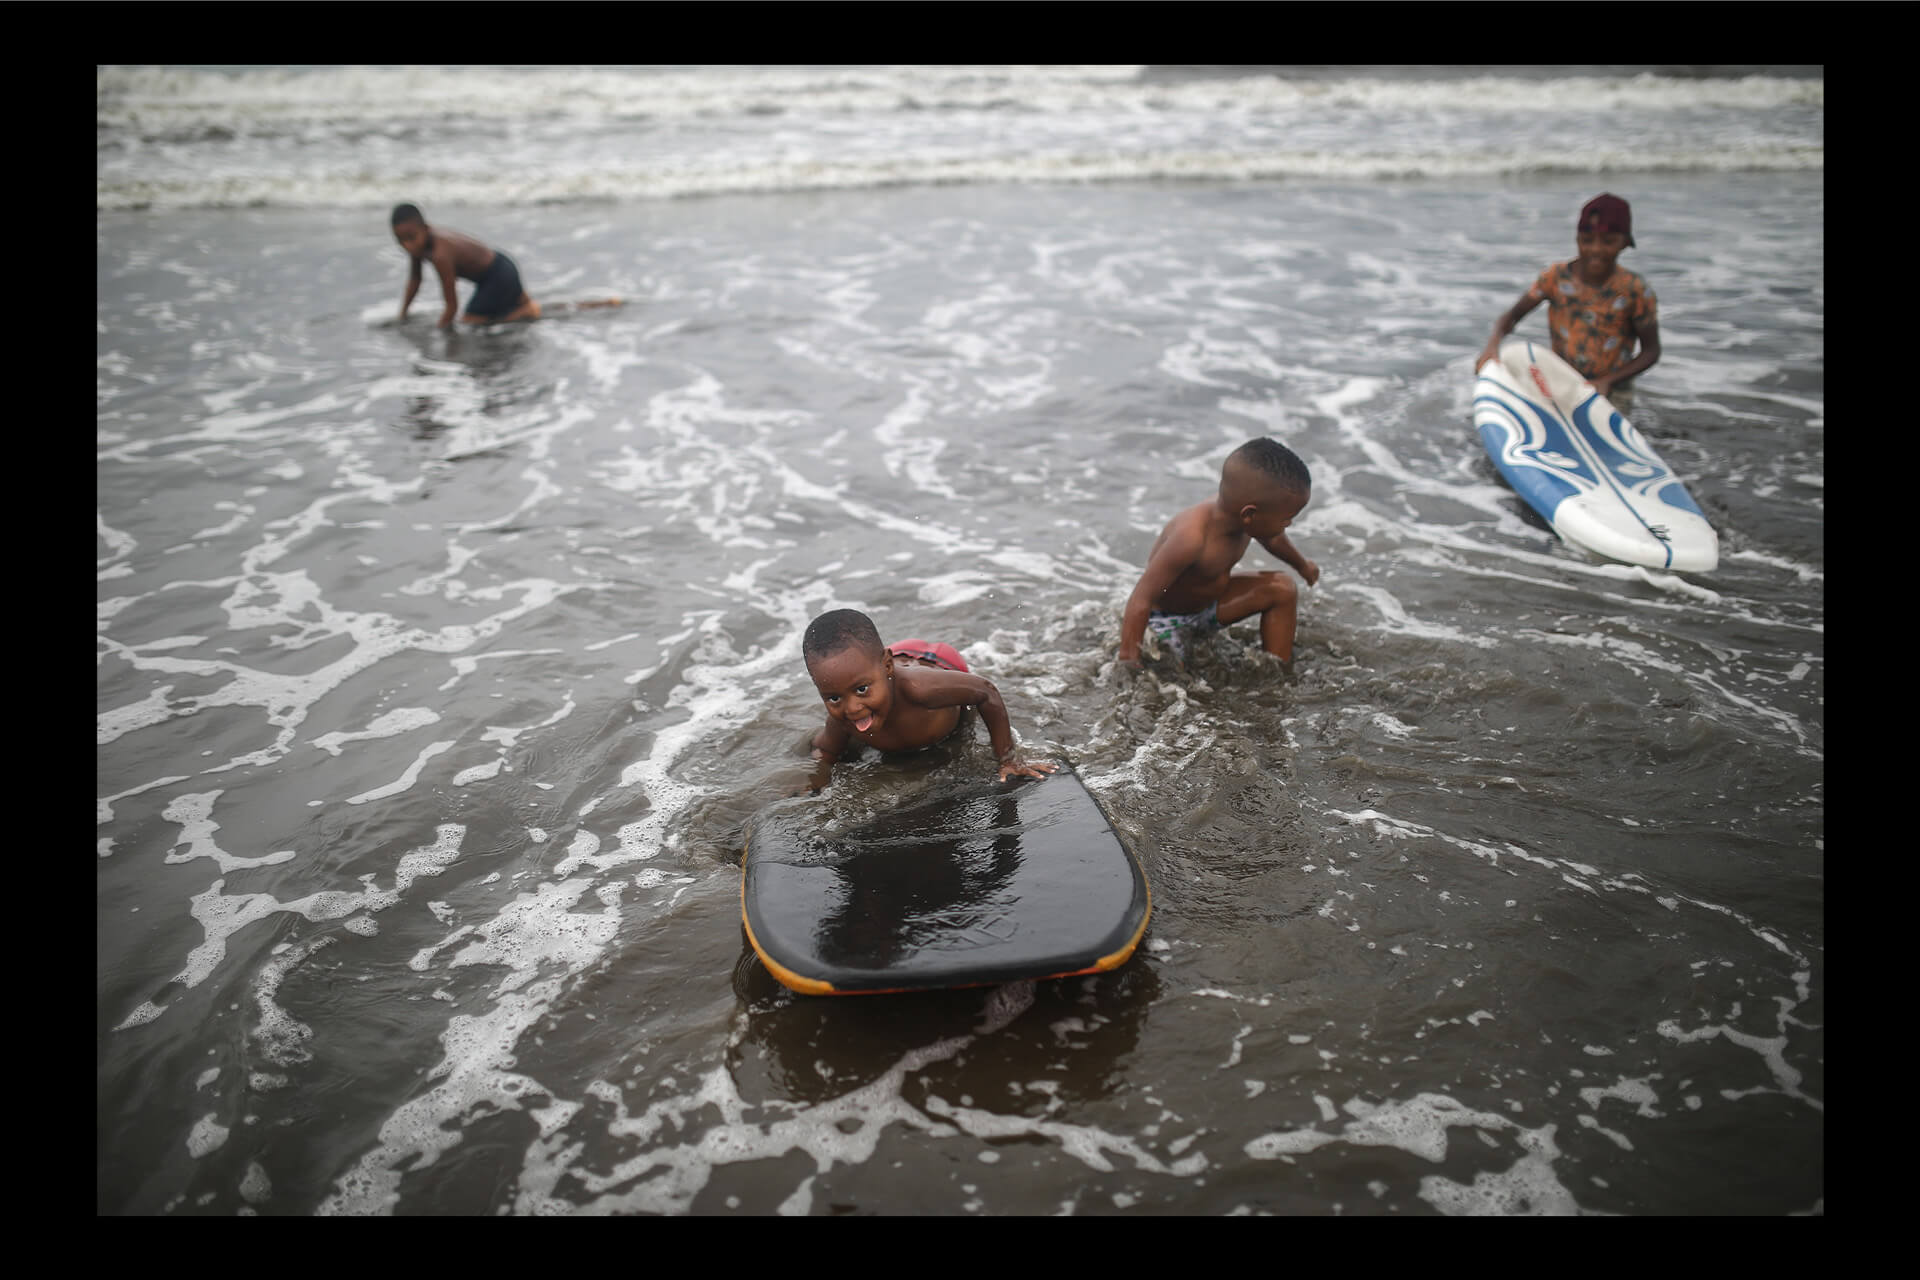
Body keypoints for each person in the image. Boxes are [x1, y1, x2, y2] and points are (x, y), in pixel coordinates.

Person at [1117, 437, 1318, 671]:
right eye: (1286, 518)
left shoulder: (1245, 520)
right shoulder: (1191, 538)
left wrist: (1302, 566)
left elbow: (1272, 537)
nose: (1290, 523)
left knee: (1282, 588)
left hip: (1209, 608)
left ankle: (1278, 670)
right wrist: (1129, 658)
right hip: (1166, 621)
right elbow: (1142, 598)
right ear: (1249, 514)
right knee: (1179, 679)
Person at [802, 609, 1055, 787]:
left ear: (887, 666)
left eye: (861, 691)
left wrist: (1007, 758)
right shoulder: (842, 717)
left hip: (937, 661)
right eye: (833, 698)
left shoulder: (920, 690)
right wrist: (818, 777)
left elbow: (987, 692)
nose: (852, 708)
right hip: (874, 665)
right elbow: (825, 750)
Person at [1475, 192, 1660, 399]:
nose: (1596, 250)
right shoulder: (1556, 278)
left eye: (1608, 241)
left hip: (1611, 389)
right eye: (1587, 240)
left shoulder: (1635, 290)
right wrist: (1492, 346)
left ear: (1625, 242)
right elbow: (1511, 317)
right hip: (1560, 380)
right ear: (1577, 239)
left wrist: (1607, 381)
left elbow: (1651, 352)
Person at [390, 203, 541, 328]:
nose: (407, 246)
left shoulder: (440, 254)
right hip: (502, 265)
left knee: (470, 322)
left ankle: (523, 313)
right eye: (400, 240)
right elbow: (415, 280)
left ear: (426, 227)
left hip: (498, 276)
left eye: (411, 238)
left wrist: (441, 330)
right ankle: (524, 305)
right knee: (497, 307)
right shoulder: (420, 247)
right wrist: (403, 313)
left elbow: (452, 306)